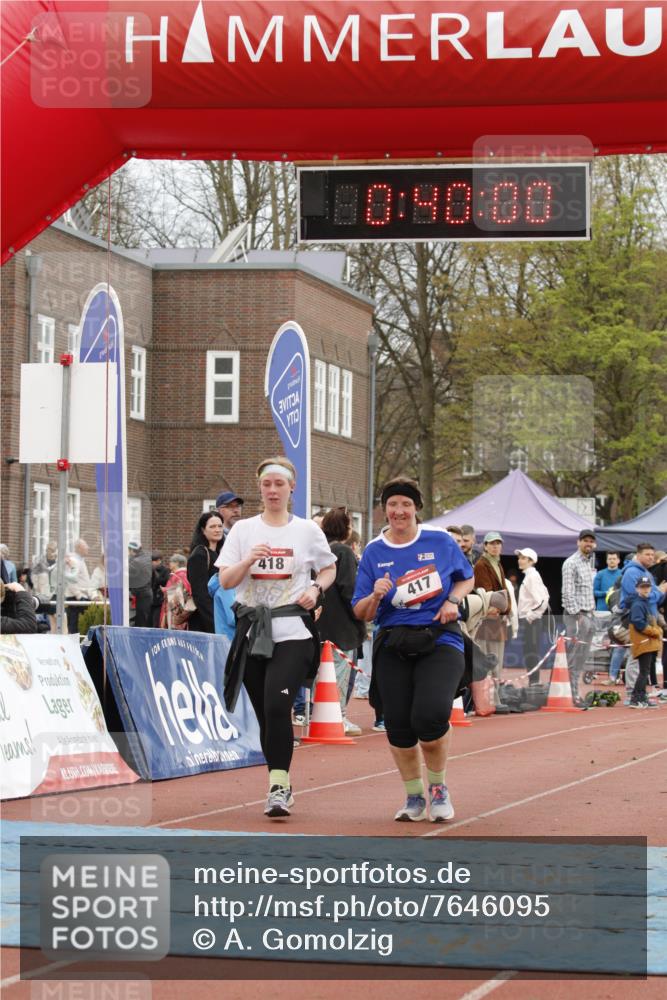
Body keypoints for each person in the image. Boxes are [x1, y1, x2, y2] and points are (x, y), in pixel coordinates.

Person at [218, 456, 336, 818]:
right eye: (267, 484)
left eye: (279, 484)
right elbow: (225, 581)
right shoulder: (243, 531)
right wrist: (247, 561)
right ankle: (279, 778)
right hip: (253, 634)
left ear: (291, 488)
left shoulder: (306, 531)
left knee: (276, 704)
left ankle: (278, 787)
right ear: (260, 488)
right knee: (267, 718)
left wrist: (316, 589)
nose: (272, 490)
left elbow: (329, 568)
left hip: (293, 632)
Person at [352, 476, 474, 823]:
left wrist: (452, 599)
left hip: (440, 637)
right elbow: (360, 611)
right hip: (394, 641)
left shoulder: (438, 541)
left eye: (406, 504)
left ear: (416, 509)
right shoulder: (375, 551)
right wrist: (375, 595)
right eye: (393, 505)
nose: (399, 511)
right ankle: (414, 795)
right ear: (385, 510)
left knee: (431, 715)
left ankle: (438, 788)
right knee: (399, 726)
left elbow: (467, 578)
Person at [316, 507, 367, 736]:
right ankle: (338, 716)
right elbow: (350, 590)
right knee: (340, 672)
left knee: (322, 672)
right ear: (345, 529)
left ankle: (320, 713)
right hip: (342, 626)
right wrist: (361, 613)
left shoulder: (317, 551)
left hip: (319, 621)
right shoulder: (343, 553)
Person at [561, 528, 597, 707]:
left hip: (589, 615)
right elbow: (567, 593)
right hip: (577, 617)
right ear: (578, 542)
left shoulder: (589, 563)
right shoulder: (571, 563)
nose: (588, 544)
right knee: (573, 657)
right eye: (585, 540)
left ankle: (574, 692)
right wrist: (577, 616)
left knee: (582, 657)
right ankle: (571, 694)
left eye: (591, 541)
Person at [473, 532, 510, 689]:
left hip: (497, 618)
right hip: (487, 619)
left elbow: (503, 589)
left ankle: (495, 694)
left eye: (498, 543)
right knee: (488, 658)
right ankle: (488, 696)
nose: (495, 546)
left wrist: (506, 610)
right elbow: (487, 592)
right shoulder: (482, 564)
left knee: (496, 659)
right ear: (485, 546)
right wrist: (502, 608)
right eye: (492, 543)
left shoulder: (497, 563)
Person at [515, 547, 550, 685]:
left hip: (531, 621)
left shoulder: (532, 576)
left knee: (531, 653)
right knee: (529, 652)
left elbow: (542, 600)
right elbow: (545, 596)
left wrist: (531, 615)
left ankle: (534, 683)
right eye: (520, 557)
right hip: (530, 620)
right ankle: (533, 682)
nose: (520, 560)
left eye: (523, 558)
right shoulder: (531, 576)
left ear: (531, 561)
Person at [627, 575, 663, 709]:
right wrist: (655, 631)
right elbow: (638, 623)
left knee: (645, 671)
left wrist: (657, 629)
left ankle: (641, 697)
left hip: (648, 642)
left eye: (647, 586)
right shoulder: (638, 603)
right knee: (644, 672)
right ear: (637, 588)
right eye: (642, 587)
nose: (645, 589)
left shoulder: (645, 602)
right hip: (644, 642)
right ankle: (635, 698)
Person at [187, 511, 224, 633]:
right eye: (212, 526)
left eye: (220, 526)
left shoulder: (221, 554)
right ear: (203, 530)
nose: (217, 530)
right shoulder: (199, 554)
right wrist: (215, 625)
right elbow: (200, 595)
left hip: (220, 615)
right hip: (205, 621)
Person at [64, 538, 92, 634]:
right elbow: (70, 580)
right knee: (74, 626)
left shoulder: (80, 560)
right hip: (76, 599)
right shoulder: (74, 561)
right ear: (79, 548)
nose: (88, 548)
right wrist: (79, 596)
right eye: (85, 546)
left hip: (81, 598)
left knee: (81, 627)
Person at [128, 541, 153, 627]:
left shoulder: (136, 562)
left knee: (141, 621)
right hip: (146, 592)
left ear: (131, 550)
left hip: (141, 594)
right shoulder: (146, 558)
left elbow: (125, 575)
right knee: (143, 619)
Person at [151, 553, 170, 627]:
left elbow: (165, 581)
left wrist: (155, 575)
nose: (152, 563)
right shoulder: (149, 569)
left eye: (154, 561)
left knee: (156, 621)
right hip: (150, 598)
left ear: (159, 561)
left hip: (159, 599)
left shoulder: (165, 570)